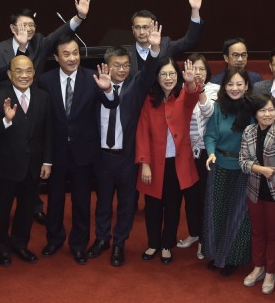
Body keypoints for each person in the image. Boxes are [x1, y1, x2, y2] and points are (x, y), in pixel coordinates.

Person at [38, 35, 118, 264]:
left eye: (75, 53)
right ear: (56, 57)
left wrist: (109, 88)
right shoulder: (45, 80)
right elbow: (45, 122)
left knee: (82, 202)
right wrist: (46, 158)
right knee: (54, 201)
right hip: (56, 152)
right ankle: (54, 240)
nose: (72, 58)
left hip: (84, 153)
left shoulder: (92, 78)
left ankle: (79, 244)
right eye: (66, 54)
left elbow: (111, 104)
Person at [89, 27, 162, 266]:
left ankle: (119, 242)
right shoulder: (95, 85)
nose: (121, 69)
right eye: (116, 65)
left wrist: (153, 50)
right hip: (101, 156)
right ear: (106, 66)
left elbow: (149, 71)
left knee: (127, 203)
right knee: (102, 202)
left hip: (127, 157)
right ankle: (102, 239)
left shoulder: (136, 87)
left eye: (125, 65)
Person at [0, 55, 53, 266]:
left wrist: (47, 162)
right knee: (2, 212)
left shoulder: (43, 97)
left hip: (33, 167)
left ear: (34, 72)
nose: (24, 75)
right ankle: (2, 248)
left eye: (28, 71)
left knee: (26, 211)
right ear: (9, 74)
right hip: (6, 167)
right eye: (18, 71)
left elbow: (48, 133)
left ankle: (20, 245)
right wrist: (6, 120)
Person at [136, 59, 200, 264]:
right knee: (153, 206)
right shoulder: (149, 99)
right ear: (157, 77)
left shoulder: (183, 96)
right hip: (154, 164)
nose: (168, 78)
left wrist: (190, 83)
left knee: (173, 207)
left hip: (177, 164)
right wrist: (144, 163)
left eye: (172, 74)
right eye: (163, 74)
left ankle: (166, 244)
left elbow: (193, 95)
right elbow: (143, 132)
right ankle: (153, 242)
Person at [239, 95, 275, 295]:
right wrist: (260, 169)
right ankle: (258, 267)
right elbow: (243, 161)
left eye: (271, 109)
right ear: (255, 113)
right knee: (257, 232)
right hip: (255, 190)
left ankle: (271, 271)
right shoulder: (249, 131)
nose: (267, 114)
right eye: (262, 110)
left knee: (274, 234)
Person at [0, 0, 92, 90]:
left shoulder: (38, 44)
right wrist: (21, 48)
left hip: (34, 105)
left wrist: (79, 17)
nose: (29, 29)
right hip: (5, 104)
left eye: (32, 25)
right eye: (24, 25)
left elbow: (58, 34)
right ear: (12, 28)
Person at [203, 67, 253, 275]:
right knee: (217, 212)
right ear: (224, 86)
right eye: (230, 84)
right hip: (220, 165)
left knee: (238, 215)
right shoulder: (218, 107)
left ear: (247, 86)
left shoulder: (252, 109)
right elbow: (210, 135)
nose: (235, 88)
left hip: (243, 169)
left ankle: (231, 259)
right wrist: (211, 152)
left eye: (239, 84)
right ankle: (215, 254)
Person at [176, 53, 218, 260]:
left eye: (201, 69)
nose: (197, 72)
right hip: (185, 151)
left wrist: (199, 89)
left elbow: (208, 112)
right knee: (190, 196)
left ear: (207, 71)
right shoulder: (180, 90)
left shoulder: (215, 90)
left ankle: (204, 238)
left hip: (205, 153)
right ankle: (193, 233)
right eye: (193, 68)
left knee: (204, 196)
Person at [126, 0, 203, 76]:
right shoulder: (127, 53)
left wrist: (195, 10)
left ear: (154, 27)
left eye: (146, 27)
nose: (142, 32)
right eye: (138, 27)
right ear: (132, 30)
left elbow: (189, 40)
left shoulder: (165, 45)